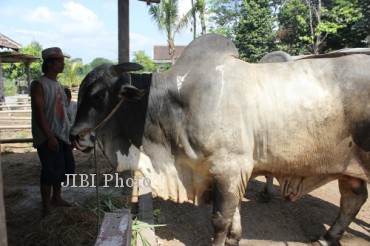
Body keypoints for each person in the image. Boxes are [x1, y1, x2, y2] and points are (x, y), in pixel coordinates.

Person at [31, 47, 75, 218]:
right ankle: (46, 207)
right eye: (59, 60)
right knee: (49, 172)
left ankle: (57, 198)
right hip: (48, 136)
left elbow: (64, 111)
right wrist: (49, 136)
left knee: (63, 169)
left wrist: (69, 134)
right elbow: (40, 112)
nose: (63, 63)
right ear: (50, 63)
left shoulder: (58, 85)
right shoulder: (39, 85)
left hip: (61, 134)